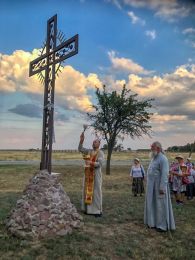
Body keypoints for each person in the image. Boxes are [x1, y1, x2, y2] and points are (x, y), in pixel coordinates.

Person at [144, 141, 175, 232]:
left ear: (158, 148)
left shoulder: (163, 159)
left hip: (159, 187)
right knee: (153, 204)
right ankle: (153, 222)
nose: (151, 149)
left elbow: (165, 174)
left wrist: (162, 188)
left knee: (160, 206)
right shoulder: (154, 158)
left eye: (152, 147)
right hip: (151, 187)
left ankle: (162, 226)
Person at [78, 131, 104, 217]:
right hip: (88, 175)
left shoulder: (100, 153)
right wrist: (81, 140)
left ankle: (97, 211)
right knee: (87, 192)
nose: (93, 143)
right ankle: (88, 210)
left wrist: (90, 163)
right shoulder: (89, 151)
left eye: (95, 142)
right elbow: (80, 149)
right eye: (93, 142)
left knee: (96, 193)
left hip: (96, 175)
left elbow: (100, 164)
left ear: (99, 144)